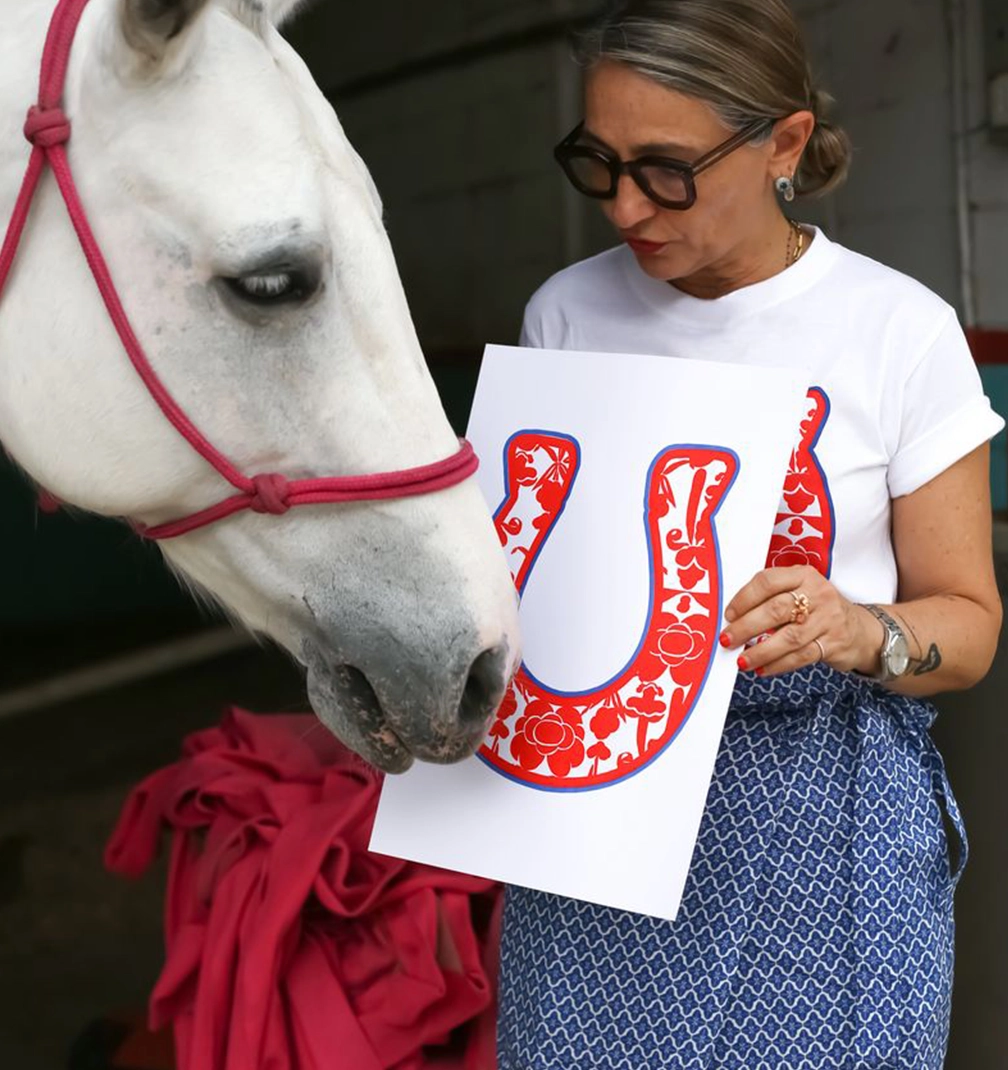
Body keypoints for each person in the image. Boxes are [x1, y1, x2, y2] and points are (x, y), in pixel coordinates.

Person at [495, 1, 1005, 1067]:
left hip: (824, 828)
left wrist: (859, 628)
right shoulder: (564, 315)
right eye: (600, 163)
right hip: (600, 809)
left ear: (784, 142)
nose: (625, 206)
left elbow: (969, 626)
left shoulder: (898, 332)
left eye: (666, 170)